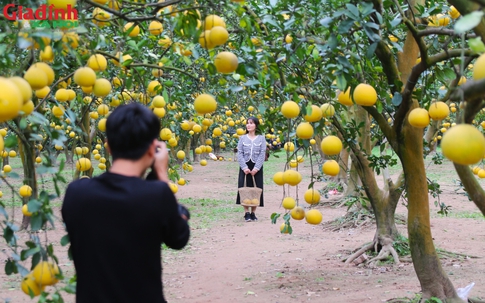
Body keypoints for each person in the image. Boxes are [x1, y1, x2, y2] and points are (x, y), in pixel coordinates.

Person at [61, 103, 190, 303]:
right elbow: (178, 237)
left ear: (108, 146)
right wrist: (162, 174)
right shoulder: (157, 196)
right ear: (152, 148)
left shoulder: (76, 194)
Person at [236, 116, 266, 222]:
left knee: (256, 190)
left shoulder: (261, 138)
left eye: (251, 123)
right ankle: (246, 213)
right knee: (244, 189)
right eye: (247, 123)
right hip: (245, 166)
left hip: (256, 167)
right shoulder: (242, 138)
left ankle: (253, 213)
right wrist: (244, 167)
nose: (248, 125)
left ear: (256, 125)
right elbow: (239, 153)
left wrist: (256, 168)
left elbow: (262, 154)